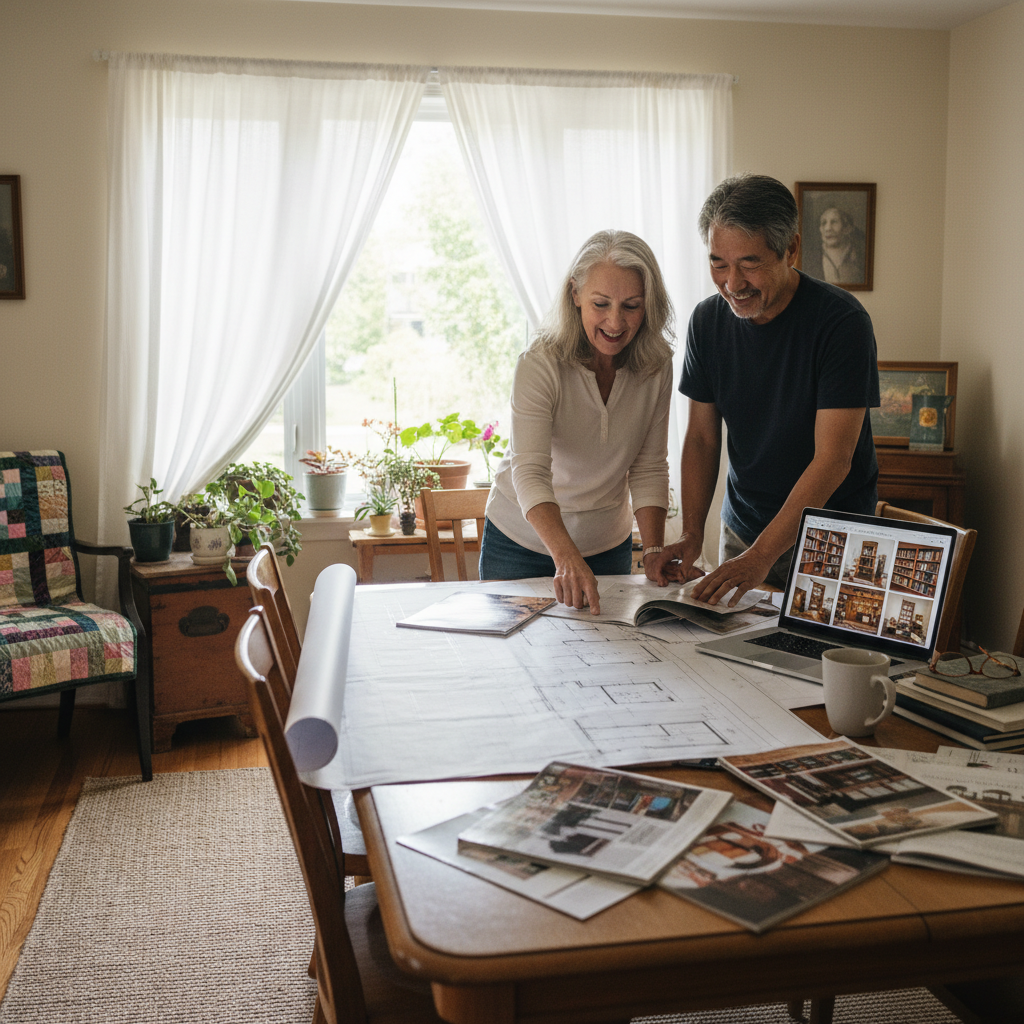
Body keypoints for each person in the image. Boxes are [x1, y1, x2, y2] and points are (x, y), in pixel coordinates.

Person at [646, 174, 880, 605]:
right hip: (744, 529)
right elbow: (700, 439)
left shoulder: (842, 323)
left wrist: (761, 557)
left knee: (815, 664)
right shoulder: (708, 322)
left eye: (749, 263)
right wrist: (693, 533)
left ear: (791, 249)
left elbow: (834, 460)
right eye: (719, 263)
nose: (732, 283)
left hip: (831, 538)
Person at [478, 229, 675, 614]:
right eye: (600, 304)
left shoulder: (656, 365)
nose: (615, 322)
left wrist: (652, 550)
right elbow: (530, 471)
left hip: (606, 546)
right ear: (575, 295)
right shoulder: (540, 362)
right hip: (520, 544)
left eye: (631, 306)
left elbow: (649, 466)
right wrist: (566, 557)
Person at [802, 205, 866, 286]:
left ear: (847, 228)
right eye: (824, 223)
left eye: (834, 222)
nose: (828, 228)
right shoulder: (811, 259)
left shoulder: (860, 256)